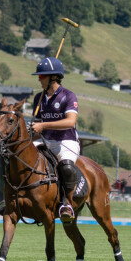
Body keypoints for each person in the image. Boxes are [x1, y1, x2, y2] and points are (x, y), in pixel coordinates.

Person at [29, 56, 83, 223]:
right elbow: (37, 122)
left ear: (53, 77)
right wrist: (34, 127)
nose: (39, 79)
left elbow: (70, 121)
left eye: (41, 76)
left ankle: (67, 204)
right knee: (21, 155)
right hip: (46, 141)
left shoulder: (68, 96)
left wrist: (43, 126)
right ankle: (17, 196)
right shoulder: (39, 98)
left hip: (67, 141)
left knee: (66, 166)